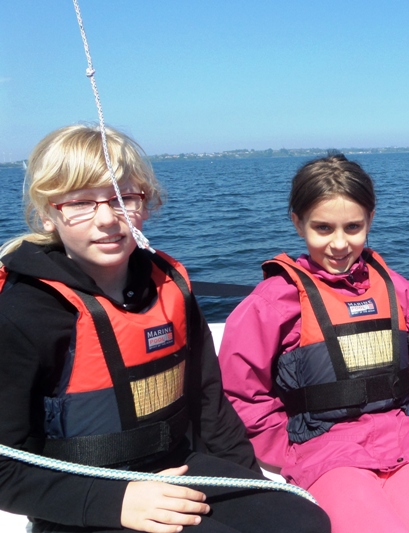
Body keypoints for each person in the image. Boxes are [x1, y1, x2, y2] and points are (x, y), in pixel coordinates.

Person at [0, 125, 331, 533]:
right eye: (80, 203)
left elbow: (209, 404)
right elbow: (5, 467)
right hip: (82, 501)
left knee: (304, 522)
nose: (107, 219)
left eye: (123, 198)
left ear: (146, 203)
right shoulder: (23, 313)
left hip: (175, 468)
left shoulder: (169, 287)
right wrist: (115, 503)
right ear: (49, 215)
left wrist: (251, 488)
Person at [218, 154, 409, 533]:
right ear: (298, 222)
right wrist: (284, 447)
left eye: (352, 227)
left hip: (408, 442)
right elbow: (241, 390)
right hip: (324, 452)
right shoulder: (272, 302)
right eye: (323, 228)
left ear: (370, 220)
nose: (339, 243)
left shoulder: (399, 291)